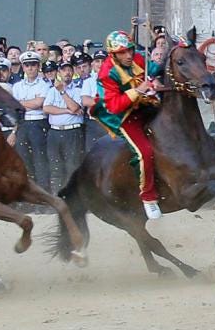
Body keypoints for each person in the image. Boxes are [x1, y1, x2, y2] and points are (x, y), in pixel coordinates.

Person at [93, 30, 163, 219]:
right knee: (144, 152)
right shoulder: (107, 73)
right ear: (113, 55)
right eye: (123, 52)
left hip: (144, 105)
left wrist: (156, 79)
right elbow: (114, 105)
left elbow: (154, 69)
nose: (129, 55)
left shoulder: (138, 58)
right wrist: (138, 90)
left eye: (130, 50)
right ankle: (148, 198)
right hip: (122, 116)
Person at [43, 60, 86, 194]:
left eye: (69, 70)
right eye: (64, 70)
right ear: (59, 72)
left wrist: (62, 92)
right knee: (55, 167)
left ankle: (72, 198)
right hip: (55, 131)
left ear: (73, 72)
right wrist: (67, 110)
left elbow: (75, 108)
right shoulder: (52, 91)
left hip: (72, 131)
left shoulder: (78, 89)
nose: (67, 73)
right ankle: (57, 197)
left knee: (72, 167)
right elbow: (46, 108)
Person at [11, 50, 52, 188]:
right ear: (23, 67)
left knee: (40, 160)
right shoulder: (17, 86)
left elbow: (39, 103)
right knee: (24, 159)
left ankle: (44, 193)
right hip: (22, 124)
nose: (30, 68)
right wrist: (30, 104)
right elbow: (16, 108)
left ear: (38, 66)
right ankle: (30, 192)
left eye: (33, 65)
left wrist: (21, 103)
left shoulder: (45, 84)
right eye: (27, 65)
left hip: (39, 123)